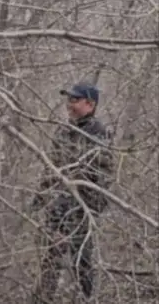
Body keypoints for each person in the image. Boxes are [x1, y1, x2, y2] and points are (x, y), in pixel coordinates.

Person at [31, 82, 113, 304]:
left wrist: (89, 211)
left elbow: (103, 179)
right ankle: (42, 299)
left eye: (75, 100)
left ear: (90, 104)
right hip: (57, 205)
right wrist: (39, 199)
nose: (69, 104)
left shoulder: (99, 133)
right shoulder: (64, 129)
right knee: (49, 259)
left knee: (81, 261)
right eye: (69, 99)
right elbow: (52, 168)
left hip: (81, 208)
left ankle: (86, 299)